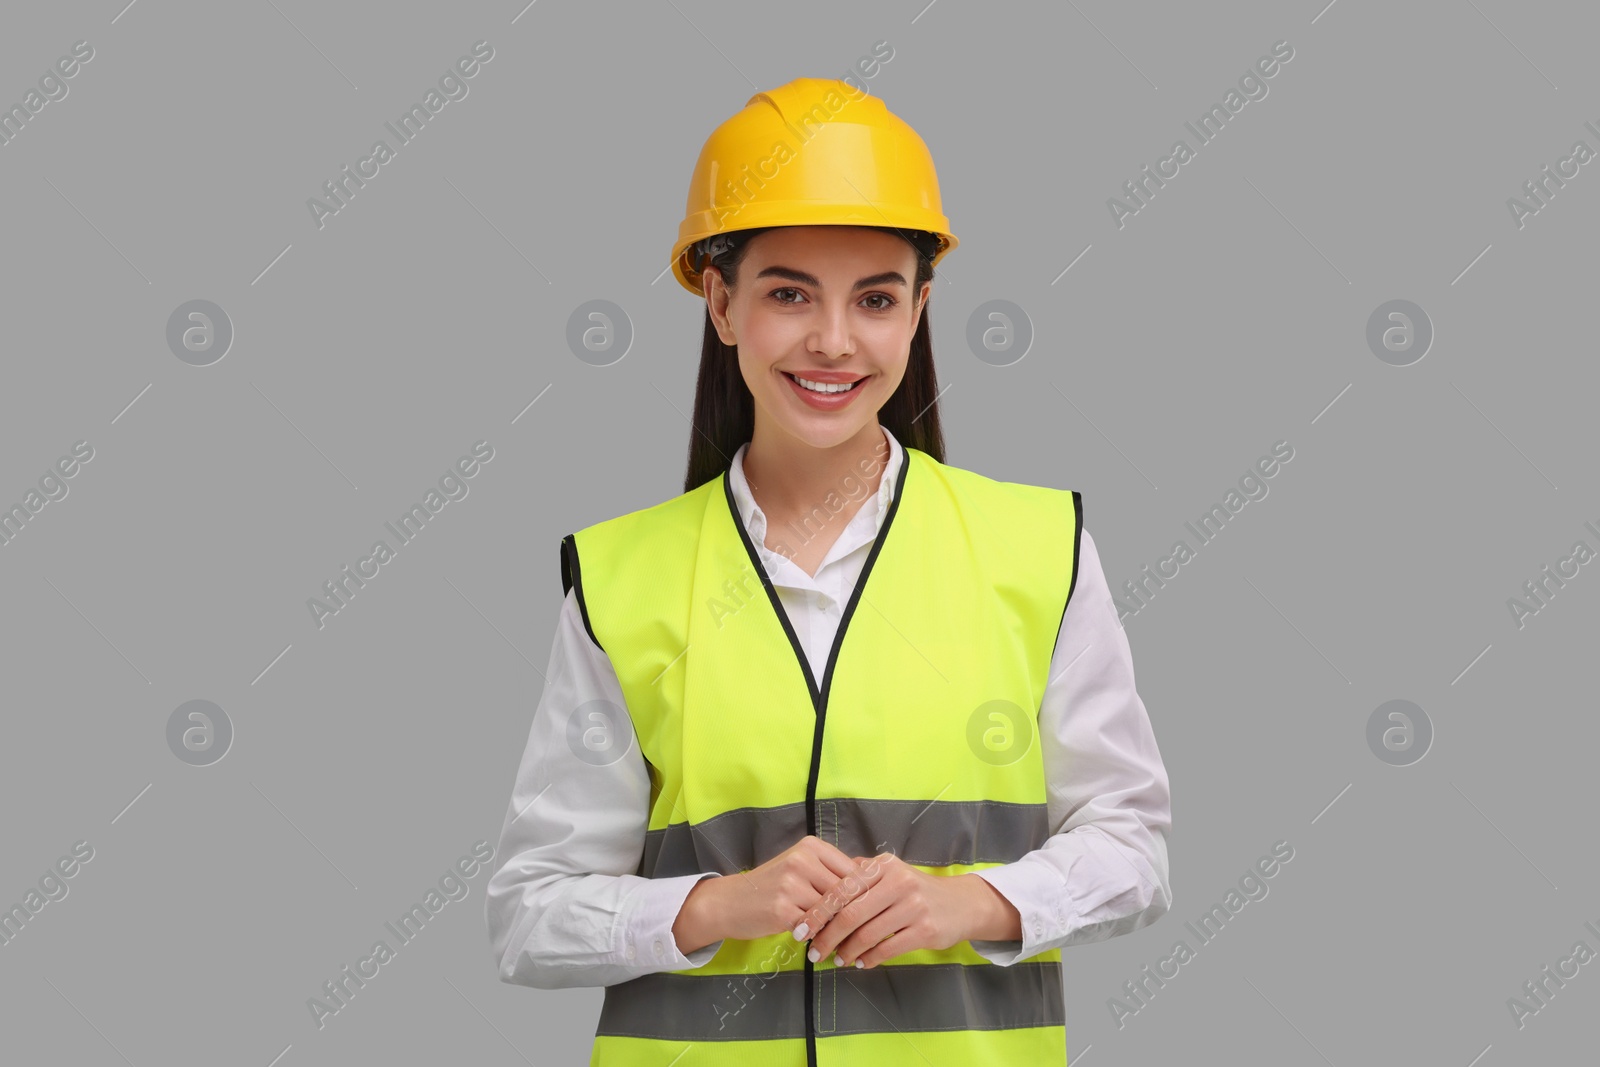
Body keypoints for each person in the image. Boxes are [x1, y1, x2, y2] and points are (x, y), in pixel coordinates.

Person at [485, 76, 1173, 1066]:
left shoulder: (1037, 550)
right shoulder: (621, 577)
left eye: (876, 298)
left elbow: (1134, 848)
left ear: (919, 310)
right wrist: (712, 904)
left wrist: (968, 901)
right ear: (720, 303)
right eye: (788, 292)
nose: (833, 339)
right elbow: (527, 912)